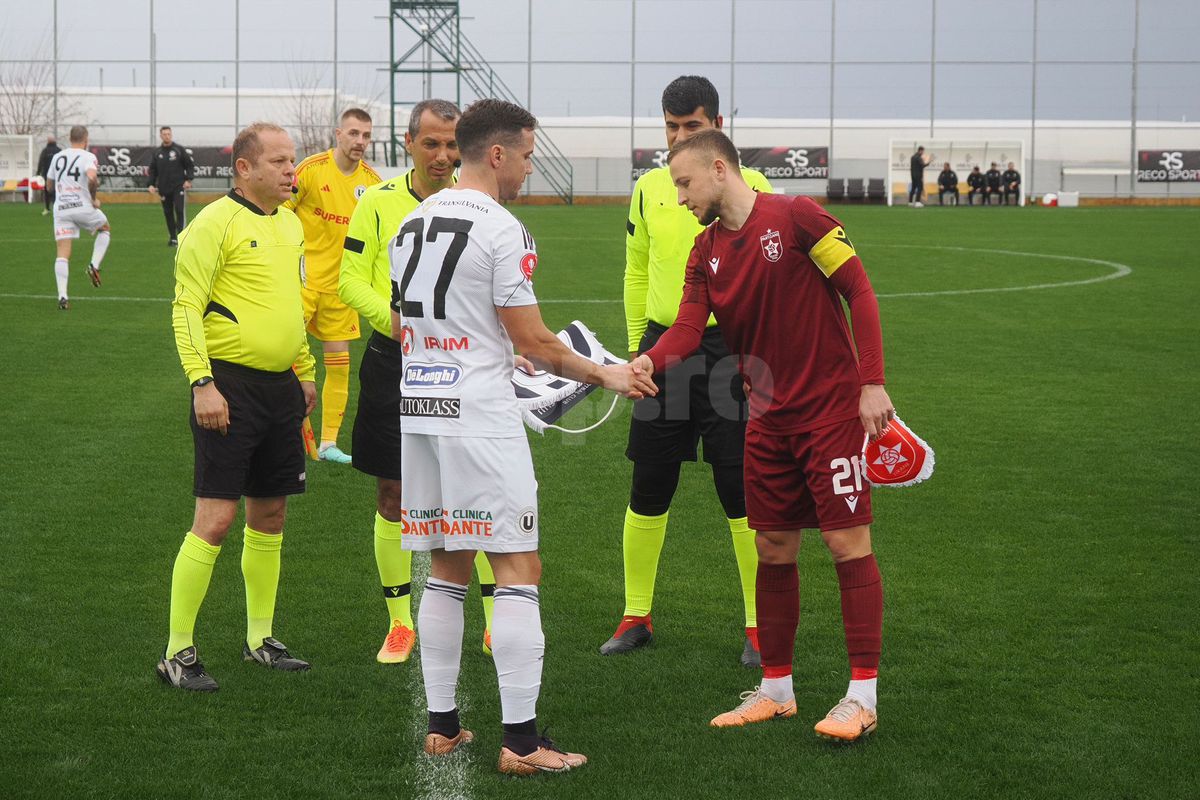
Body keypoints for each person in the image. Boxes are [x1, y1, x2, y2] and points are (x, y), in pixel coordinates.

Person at [391, 98, 654, 774]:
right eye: (530, 157)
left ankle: (443, 726)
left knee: (448, 565)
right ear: (499, 153)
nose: (532, 171)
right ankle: (522, 743)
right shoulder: (504, 229)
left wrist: (499, 351)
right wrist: (609, 373)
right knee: (517, 567)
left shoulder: (413, 220)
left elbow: (409, 325)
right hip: (479, 418)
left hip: (421, 409)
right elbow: (535, 338)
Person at [632, 129, 894, 743]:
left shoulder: (797, 217)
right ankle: (777, 689)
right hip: (766, 419)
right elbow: (689, 331)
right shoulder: (704, 252)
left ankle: (862, 696)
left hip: (830, 414)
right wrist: (647, 361)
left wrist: (871, 382)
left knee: (846, 544)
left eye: (685, 183)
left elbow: (859, 289)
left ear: (719, 170)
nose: (680, 197)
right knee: (773, 548)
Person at [606, 75, 769, 666]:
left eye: (691, 127)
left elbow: (768, 284)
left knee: (741, 488)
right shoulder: (651, 189)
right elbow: (636, 271)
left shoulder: (754, 187)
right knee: (650, 482)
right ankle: (635, 615)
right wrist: (634, 352)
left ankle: (758, 626)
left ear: (717, 126)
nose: (679, 138)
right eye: (671, 127)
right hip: (662, 350)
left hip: (733, 354)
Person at [157, 122, 318, 692]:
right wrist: (203, 383)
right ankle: (177, 652)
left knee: (270, 516)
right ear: (244, 169)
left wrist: (304, 371)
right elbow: (186, 308)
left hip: (280, 388)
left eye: (291, 160)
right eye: (277, 161)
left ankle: (260, 639)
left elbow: (289, 306)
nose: (289, 170)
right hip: (227, 387)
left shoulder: (293, 224)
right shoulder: (213, 224)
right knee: (216, 518)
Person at [339, 99, 499, 664]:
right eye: (431, 143)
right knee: (393, 495)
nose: (444, 155)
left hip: (461, 363)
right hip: (394, 360)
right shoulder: (377, 203)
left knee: (471, 489)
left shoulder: (479, 203)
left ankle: (491, 619)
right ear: (408, 143)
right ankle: (400, 622)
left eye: (453, 144)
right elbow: (349, 280)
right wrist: (395, 318)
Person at [285, 108, 382, 464]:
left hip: (342, 289)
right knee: (282, 360)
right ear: (338, 133)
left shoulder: (372, 183)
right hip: (302, 283)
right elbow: (280, 212)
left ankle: (328, 444)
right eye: (354, 133)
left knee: (339, 366)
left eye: (367, 136)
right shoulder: (310, 170)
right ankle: (281, 430)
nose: (360, 142)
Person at [46, 125, 109, 310]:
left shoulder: (58, 156)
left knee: (62, 253)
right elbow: (92, 178)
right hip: (82, 206)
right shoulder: (88, 156)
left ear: (69, 138)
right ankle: (94, 265)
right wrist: (94, 199)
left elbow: (49, 184)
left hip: (61, 209)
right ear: (86, 139)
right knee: (105, 228)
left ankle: (63, 297)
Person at [147, 126, 195, 246]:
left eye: (168, 134)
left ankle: (181, 237)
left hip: (178, 187)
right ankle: (173, 238)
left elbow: (189, 165)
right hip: (163, 188)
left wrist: (188, 180)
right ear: (161, 136)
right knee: (168, 213)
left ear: (171, 135)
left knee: (179, 210)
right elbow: (152, 170)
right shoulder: (157, 153)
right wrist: (151, 184)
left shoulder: (179, 150)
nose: (166, 136)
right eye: (164, 134)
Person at [36, 134, 60, 215]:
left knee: (47, 191)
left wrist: (38, 173)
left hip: (47, 174)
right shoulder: (59, 150)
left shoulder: (45, 151)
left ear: (48, 141)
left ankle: (47, 209)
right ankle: (57, 208)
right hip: (58, 175)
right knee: (57, 191)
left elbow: (41, 162)